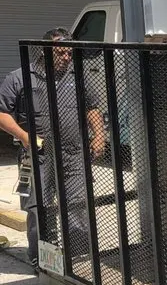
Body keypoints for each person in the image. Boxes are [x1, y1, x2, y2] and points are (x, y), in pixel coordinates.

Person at [0, 28, 104, 265]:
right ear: (45, 51)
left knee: (77, 204)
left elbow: (92, 108)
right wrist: (24, 136)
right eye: (61, 54)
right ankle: (47, 263)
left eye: (69, 54)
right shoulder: (20, 77)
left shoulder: (76, 77)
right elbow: (2, 113)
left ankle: (77, 262)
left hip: (73, 154)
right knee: (41, 208)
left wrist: (99, 135)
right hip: (38, 156)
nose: (67, 58)